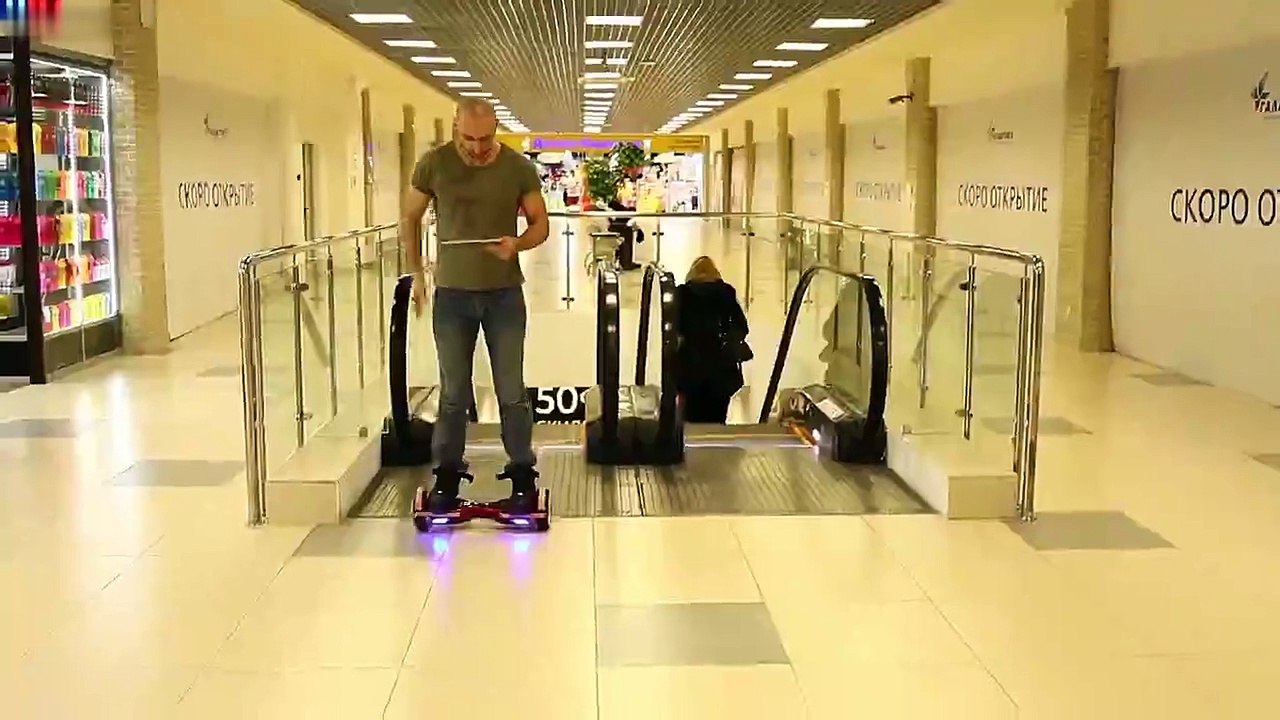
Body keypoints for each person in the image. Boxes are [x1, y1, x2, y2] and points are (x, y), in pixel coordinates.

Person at [400, 99, 550, 515]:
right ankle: (448, 472)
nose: (478, 147)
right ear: (455, 129)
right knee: (452, 392)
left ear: (496, 131)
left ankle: (522, 470)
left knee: (511, 391)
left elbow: (541, 223)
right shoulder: (434, 165)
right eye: (468, 138)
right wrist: (416, 273)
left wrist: (516, 243)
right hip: (452, 297)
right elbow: (409, 216)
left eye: (486, 139)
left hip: (503, 295)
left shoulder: (518, 168)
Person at [673, 256, 750, 423]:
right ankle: (715, 443)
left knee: (690, 417)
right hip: (721, 368)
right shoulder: (726, 293)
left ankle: (690, 445)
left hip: (690, 366)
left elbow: (673, 328)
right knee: (717, 417)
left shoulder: (682, 294)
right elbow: (742, 327)